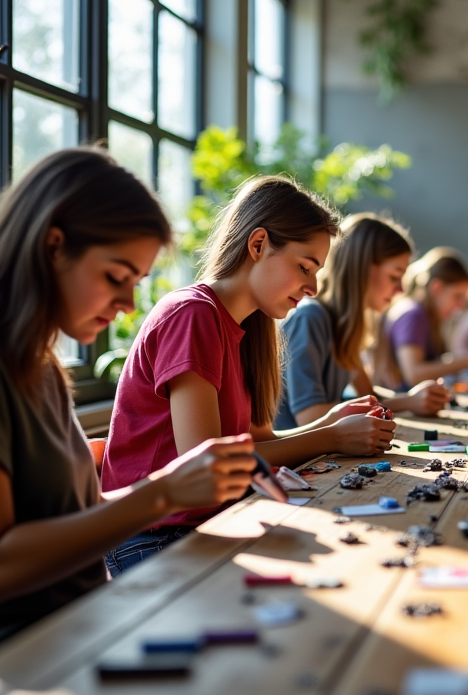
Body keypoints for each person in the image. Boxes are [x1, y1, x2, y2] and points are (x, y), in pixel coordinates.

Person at [0, 148, 256, 692]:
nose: (128, 303)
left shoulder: (37, 365)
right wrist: (159, 493)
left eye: (137, 280)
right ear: (52, 246)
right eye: (117, 275)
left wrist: (173, 491)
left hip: (65, 636)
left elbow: (71, 516)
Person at [102, 177, 395, 575]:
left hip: (206, 523)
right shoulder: (192, 314)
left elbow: (259, 444)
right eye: (305, 267)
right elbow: (206, 461)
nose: (311, 287)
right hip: (155, 539)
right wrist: (330, 437)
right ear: (257, 245)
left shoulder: (248, 329)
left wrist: (330, 423)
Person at [276, 213, 450, 429]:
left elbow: (368, 395)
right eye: (395, 277)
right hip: (297, 461)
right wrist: (407, 402)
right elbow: (311, 416)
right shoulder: (310, 318)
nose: (401, 289)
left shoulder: (347, 326)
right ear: (362, 269)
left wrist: (413, 399)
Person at [375, 247, 468, 390]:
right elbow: (413, 374)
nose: (461, 306)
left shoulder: (427, 315)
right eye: (457, 296)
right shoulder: (413, 314)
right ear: (436, 288)